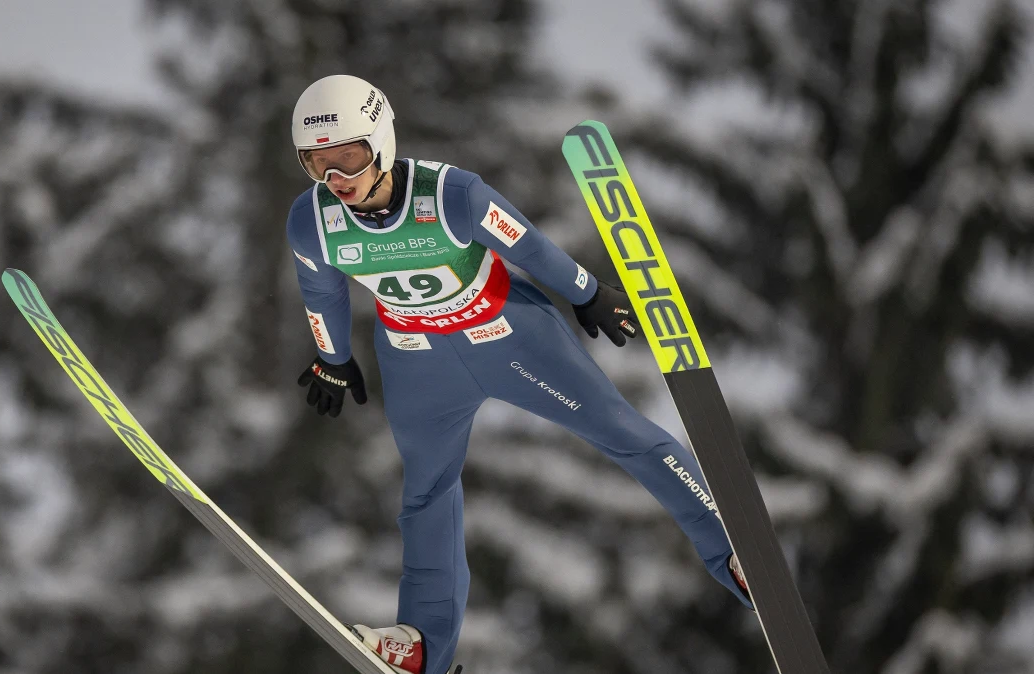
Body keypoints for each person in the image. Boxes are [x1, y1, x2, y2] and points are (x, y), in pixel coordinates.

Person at [286, 75, 752, 674]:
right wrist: (331, 356)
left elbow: (527, 246)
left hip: (508, 337)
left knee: (621, 431)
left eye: (347, 157)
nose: (336, 179)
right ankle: (423, 647)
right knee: (426, 492)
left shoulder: (453, 195)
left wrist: (586, 293)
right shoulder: (313, 221)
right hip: (417, 360)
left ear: (380, 141)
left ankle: (732, 549)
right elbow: (319, 289)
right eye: (316, 164)